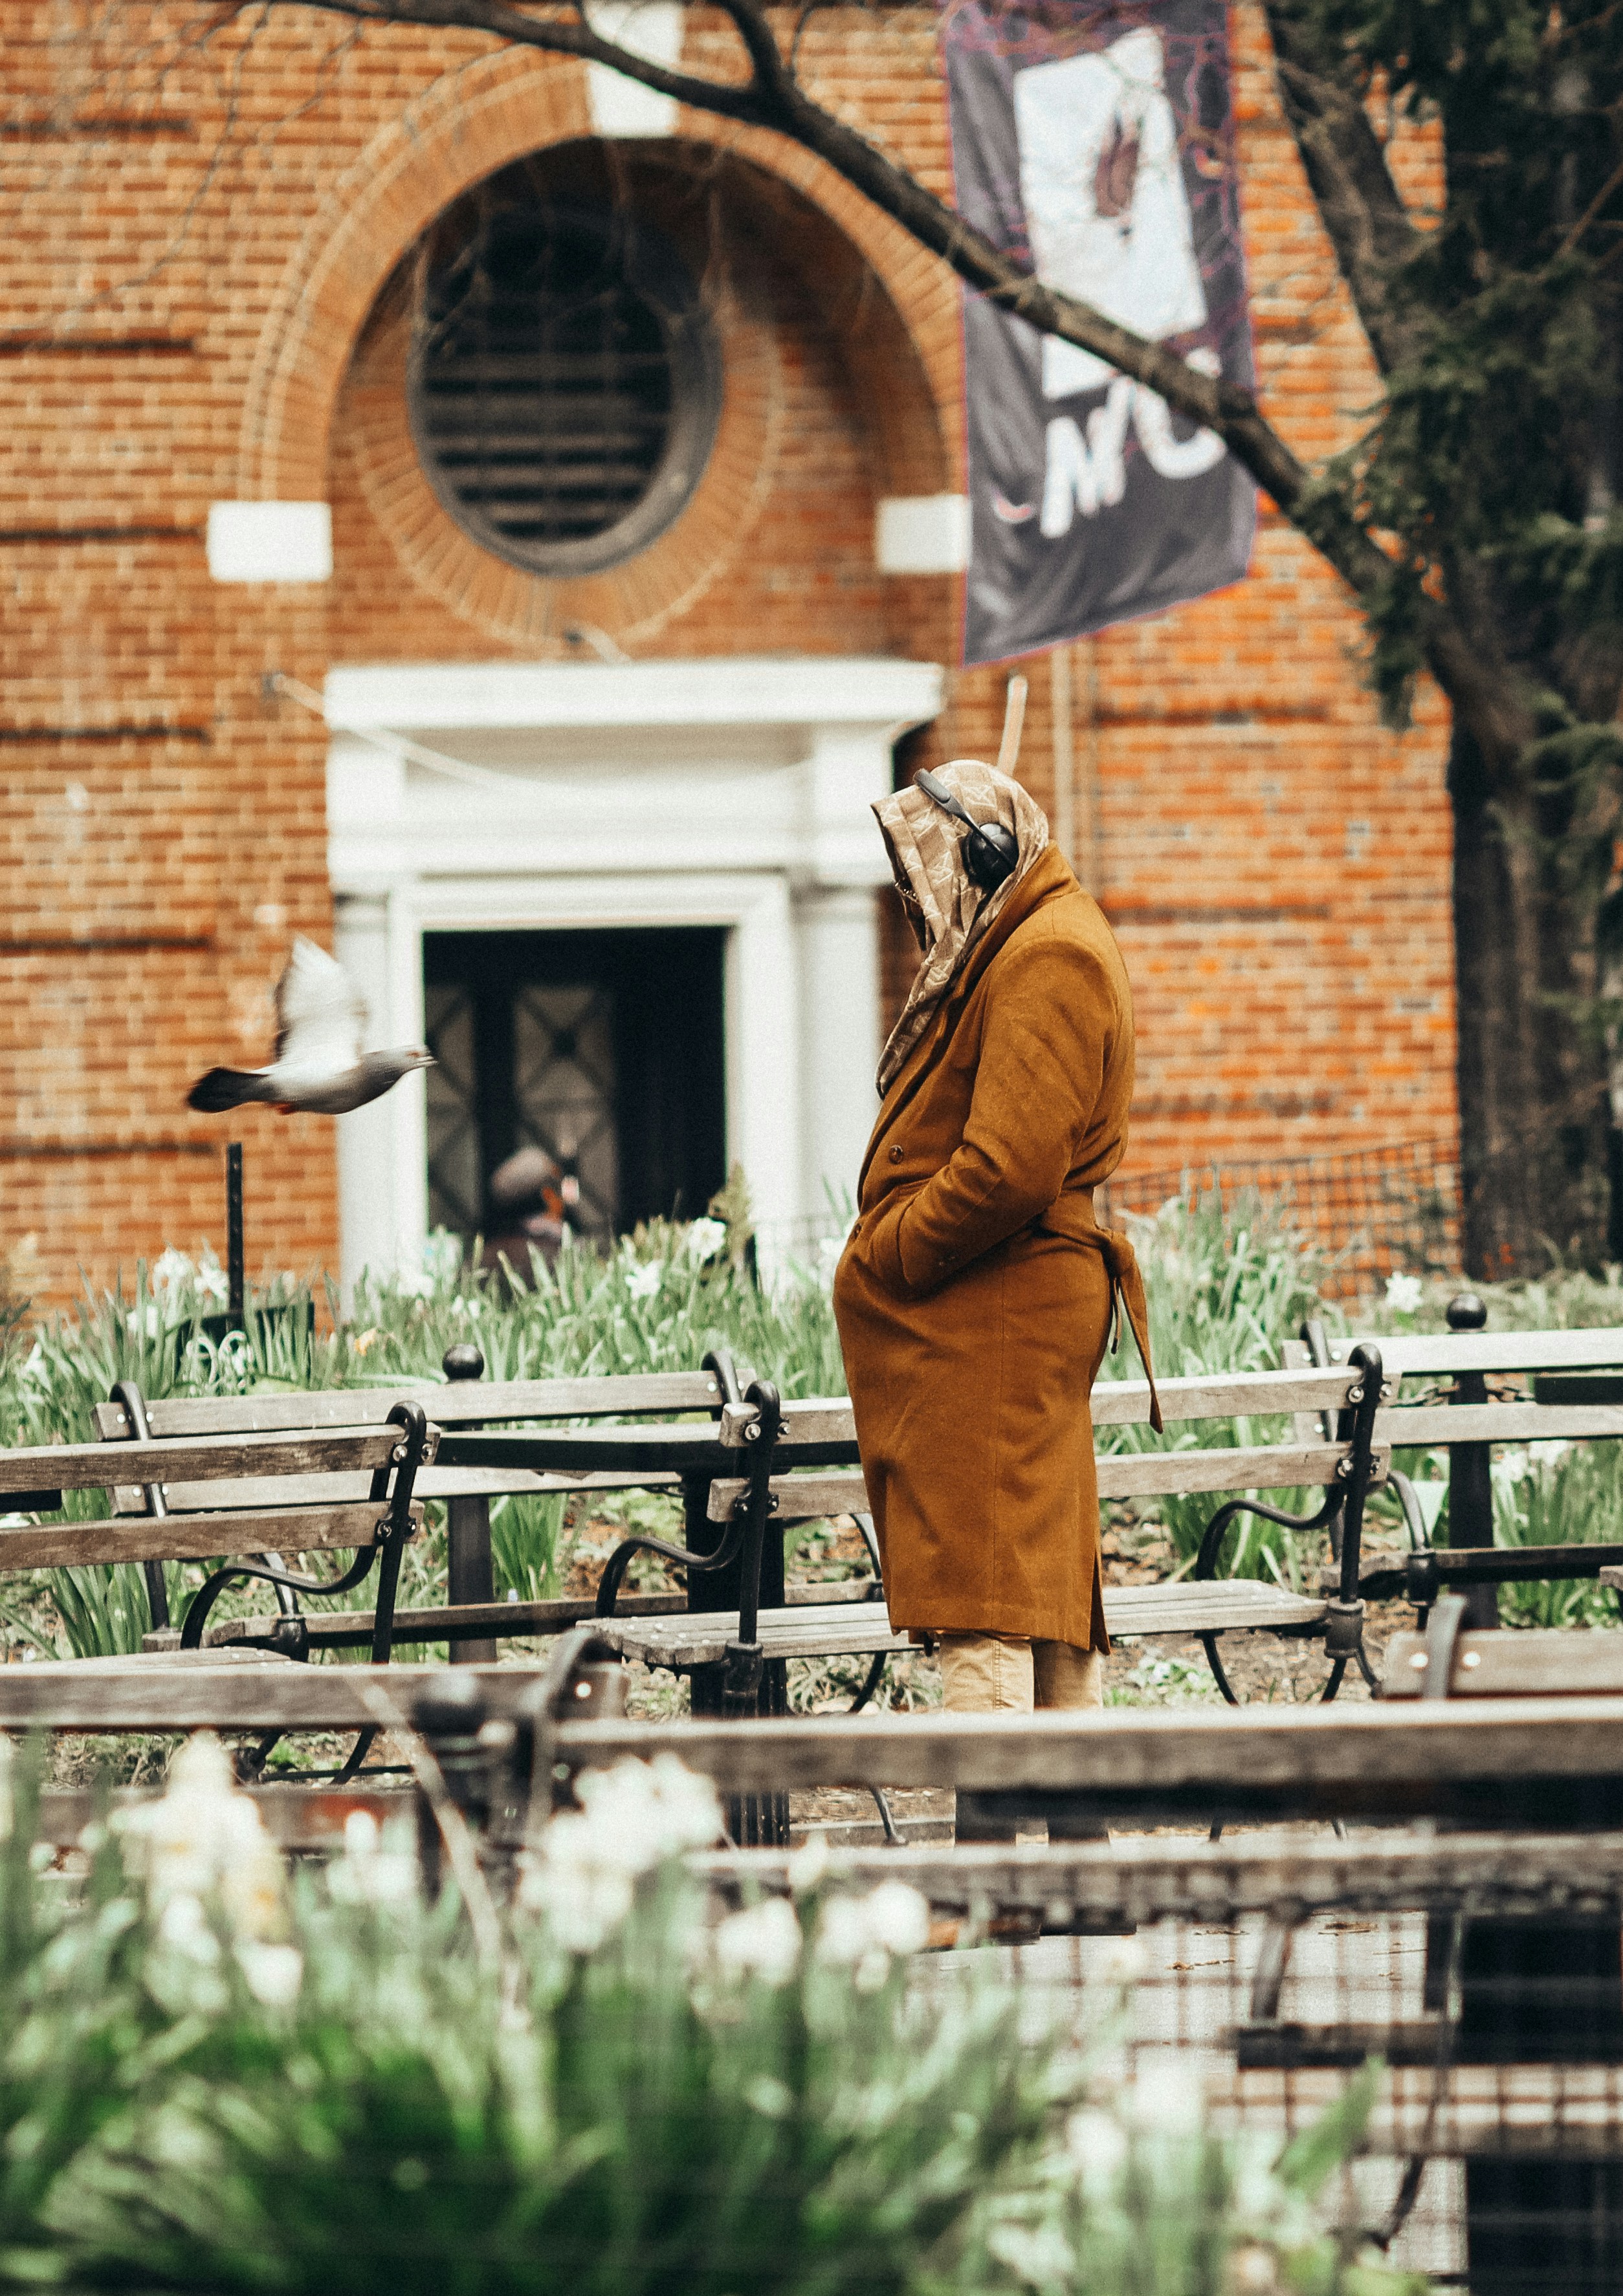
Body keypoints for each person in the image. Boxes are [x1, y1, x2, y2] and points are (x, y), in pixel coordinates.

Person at [832, 756, 1158, 1739]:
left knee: (985, 1597)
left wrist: (892, 1250)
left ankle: (997, 1850)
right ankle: (1070, 1843)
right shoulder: (1030, 939)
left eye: (928, 868)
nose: (916, 898)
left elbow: (1008, 1170)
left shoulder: (1045, 954)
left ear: (983, 853)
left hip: (1000, 1312)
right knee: (1032, 1587)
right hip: (1000, 1310)